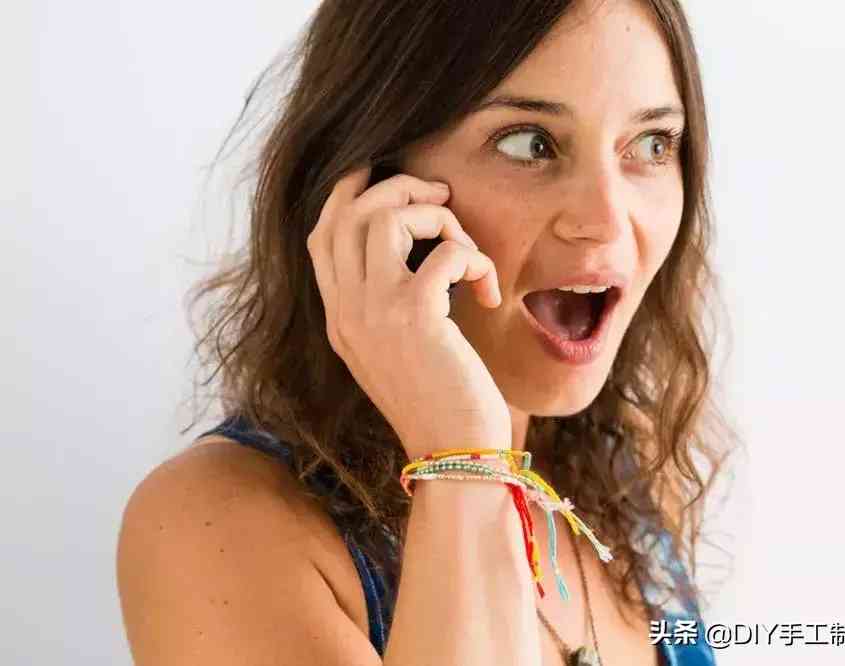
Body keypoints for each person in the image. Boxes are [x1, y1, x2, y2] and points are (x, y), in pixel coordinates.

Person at [116, 0, 735, 664]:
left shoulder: (629, 477)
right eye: (529, 143)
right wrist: (461, 456)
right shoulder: (215, 525)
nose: (608, 222)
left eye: (651, 144)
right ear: (376, 180)